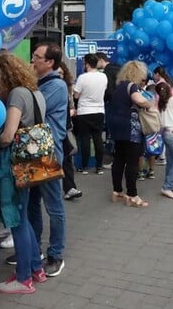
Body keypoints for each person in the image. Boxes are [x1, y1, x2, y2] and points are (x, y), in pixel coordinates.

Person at [0, 53, 47, 294]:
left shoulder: (16, 95)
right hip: (36, 164)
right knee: (26, 219)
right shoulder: (34, 91)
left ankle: (24, 279)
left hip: (18, 165)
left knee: (18, 221)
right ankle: (36, 268)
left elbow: (8, 134)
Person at [27, 41, 67, 277]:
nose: (33, 60)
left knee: (53, 206)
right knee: (32, 203)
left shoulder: (56, 85)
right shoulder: (41, 83)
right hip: (33, 150)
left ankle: (56, 254)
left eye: (37, 56)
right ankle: (34, 250)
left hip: (48, 152)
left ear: (50, 62)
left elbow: (33, 110)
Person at [107, 61, 154, 207]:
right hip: (130, 129)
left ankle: (117, 191)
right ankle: (132, 195)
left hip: (116, 127)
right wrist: (149, 104)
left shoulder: (119, 86)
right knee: (132, 161)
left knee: (119, 159)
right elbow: (138, 99)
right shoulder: (131, 86)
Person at [73, 53, 107, 174]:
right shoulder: (103, 77)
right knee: (98, 138)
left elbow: (76, 95)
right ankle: (99, 166)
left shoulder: (82, 78)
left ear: (87, 64)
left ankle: (85, 166)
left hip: (84, 111)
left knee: (85, 139)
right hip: (99, 110)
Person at [57, 61, 82, 200]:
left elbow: (72, 106)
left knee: (67, 159)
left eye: (61, 73)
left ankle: (70, 188)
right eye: (57, 73)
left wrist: (71, 111)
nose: (59, 75)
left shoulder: (67, 88)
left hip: (66, 127)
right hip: (55, 129)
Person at [96, 51, 121, 168]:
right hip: (122, 104)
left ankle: (110, 160)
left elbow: (109, 90)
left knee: (111, 133)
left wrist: (106, 99)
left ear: (101, 60)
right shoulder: (118, 67)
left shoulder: (107, 72)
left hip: (112, 105)